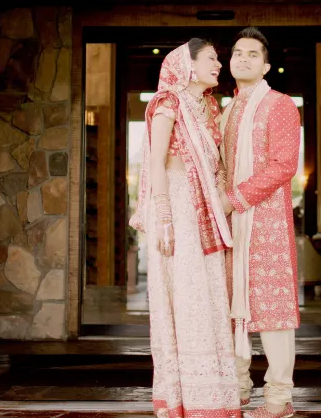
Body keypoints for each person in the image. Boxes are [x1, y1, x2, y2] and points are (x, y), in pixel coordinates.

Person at [130, 39, 241, 418]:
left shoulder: (209, 107)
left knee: (209, 295)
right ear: (188, 64)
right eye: (212, 58)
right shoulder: (168, 102)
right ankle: (185, 397)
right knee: (186, 294)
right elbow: (156, 162)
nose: (219, 64)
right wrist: (163, 215)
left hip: (205, 210)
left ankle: (213, 396)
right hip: (177, 205)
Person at [220, 27, 301, 418]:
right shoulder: (227, 110)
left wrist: (233, 199)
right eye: (238, 53)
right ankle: (236, 388)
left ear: (266, 64)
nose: (244, 59)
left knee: (272, 309)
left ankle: (278, 398)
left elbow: (284, 164)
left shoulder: (280, 105)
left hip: (265, 222)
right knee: (232, 305)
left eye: (253, 54)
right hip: (231, 225)